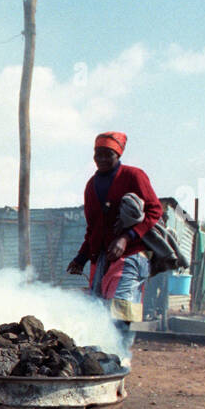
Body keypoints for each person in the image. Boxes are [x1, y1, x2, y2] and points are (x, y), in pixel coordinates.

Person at [66, 132, 162, 362]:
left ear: (118, 154)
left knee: (120, 310)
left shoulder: (133, 176)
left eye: (108, 154)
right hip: (102, 257)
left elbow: (155, 210)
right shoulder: (92, 186)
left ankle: (119, 360)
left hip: (130, 255)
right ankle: (101, 360)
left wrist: (127, 237)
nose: (101, 159)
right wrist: (81, 257)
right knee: (98, 311)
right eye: (98, 154)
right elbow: (93, 227)